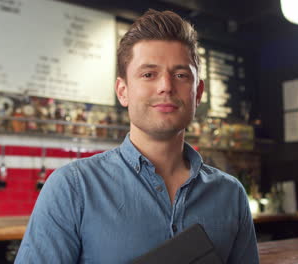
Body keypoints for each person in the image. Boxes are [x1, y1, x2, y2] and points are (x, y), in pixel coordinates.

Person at [15, 9, 259, 264]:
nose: (166, 85)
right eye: (148, 74)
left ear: (197, 93)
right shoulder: (72, 188)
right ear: (123, 91)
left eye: (180, 75)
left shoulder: (231, 195)